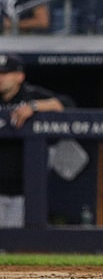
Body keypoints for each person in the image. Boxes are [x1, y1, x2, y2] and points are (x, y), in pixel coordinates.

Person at [0, 53, 67, 227]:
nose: (0, 78)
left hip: (24, 189)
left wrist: (34, 107)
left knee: (17, 243)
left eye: (5, 73)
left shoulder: (31, 94)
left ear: (19, 76)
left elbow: (60, 105)